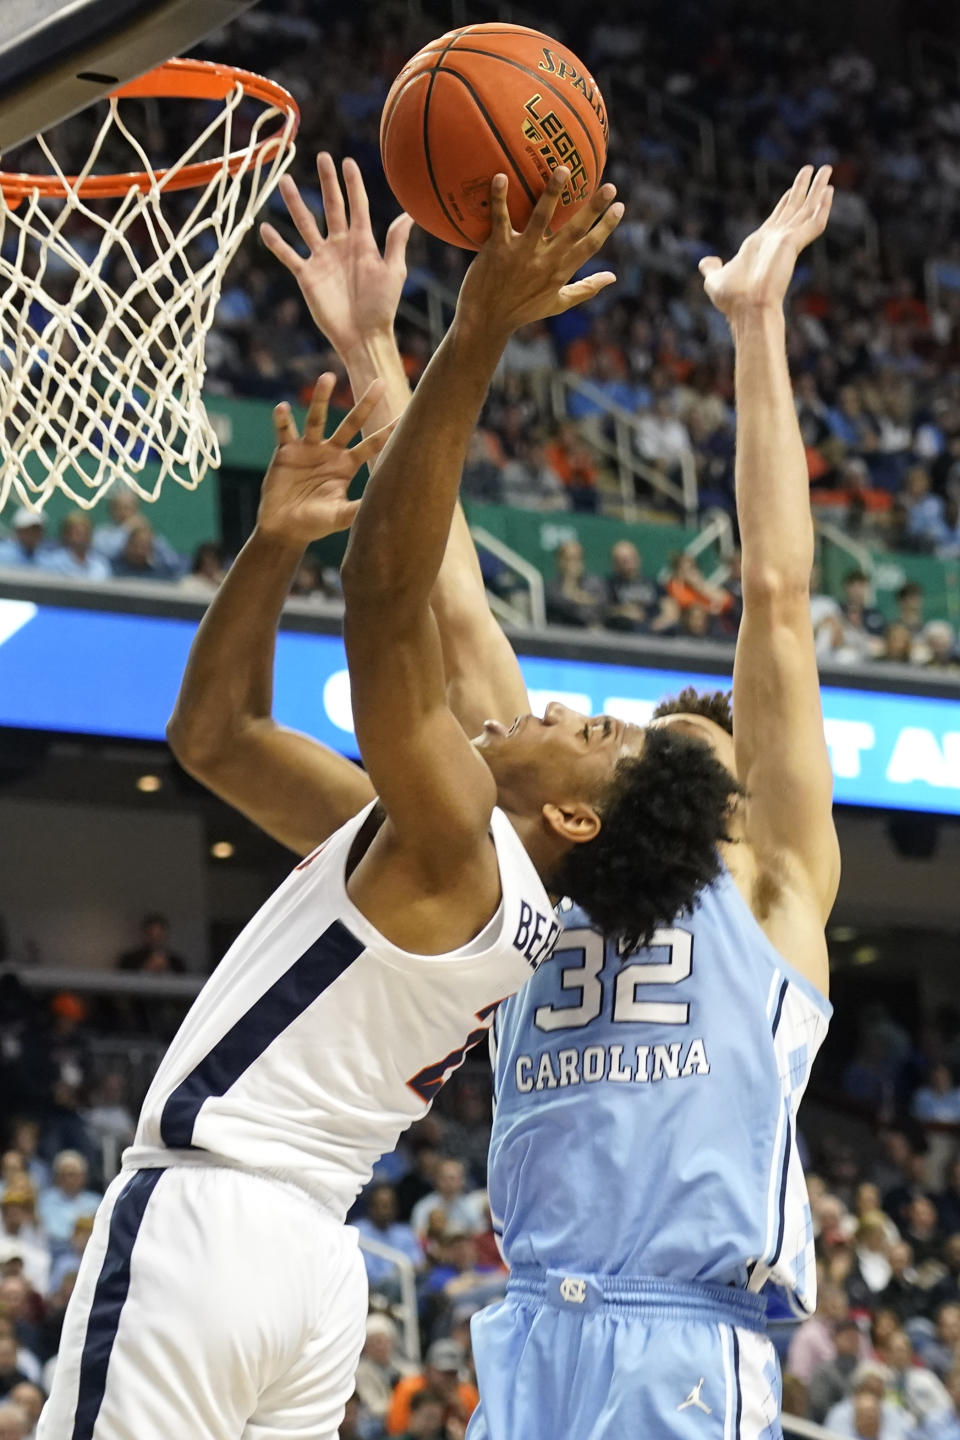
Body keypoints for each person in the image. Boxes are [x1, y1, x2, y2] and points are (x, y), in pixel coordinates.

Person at [39, 162, 729, 1440]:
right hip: (308, 1272)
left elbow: (391, 598)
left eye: (586, 734)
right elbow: (218, 737)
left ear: (573, 819)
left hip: (209, 1219)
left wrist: (471, 335)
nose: (552, 706)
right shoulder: (443, 874)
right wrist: (274, 539)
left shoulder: (454, 838)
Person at [469, 166, 840, 1439]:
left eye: (688, 759)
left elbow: (777, 596)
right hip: (524, 1332)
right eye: (647, 751)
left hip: (681, 1341)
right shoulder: (551, 876)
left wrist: (755, 329)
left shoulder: (774, 891)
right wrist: (376, 359)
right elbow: (458, 616)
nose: (658, 767)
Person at [387, 1340, 478, 1437]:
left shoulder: (465, 1392)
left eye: (453, 1373)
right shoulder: (409, 1388)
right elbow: (395, 1430)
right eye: (443, 1372)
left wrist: (461, 1411)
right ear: (428, 1369)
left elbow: (480, 1431)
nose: (449, 1379)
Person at [410, 1160, 486, 1241]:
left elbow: (480, 1233)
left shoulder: (471, 1205)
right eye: (444, 1178)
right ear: (436, 1180)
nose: (448, 1183)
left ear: (461, 1181)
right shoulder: (423, 1206)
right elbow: (418, 1236)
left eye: (452, 1179)